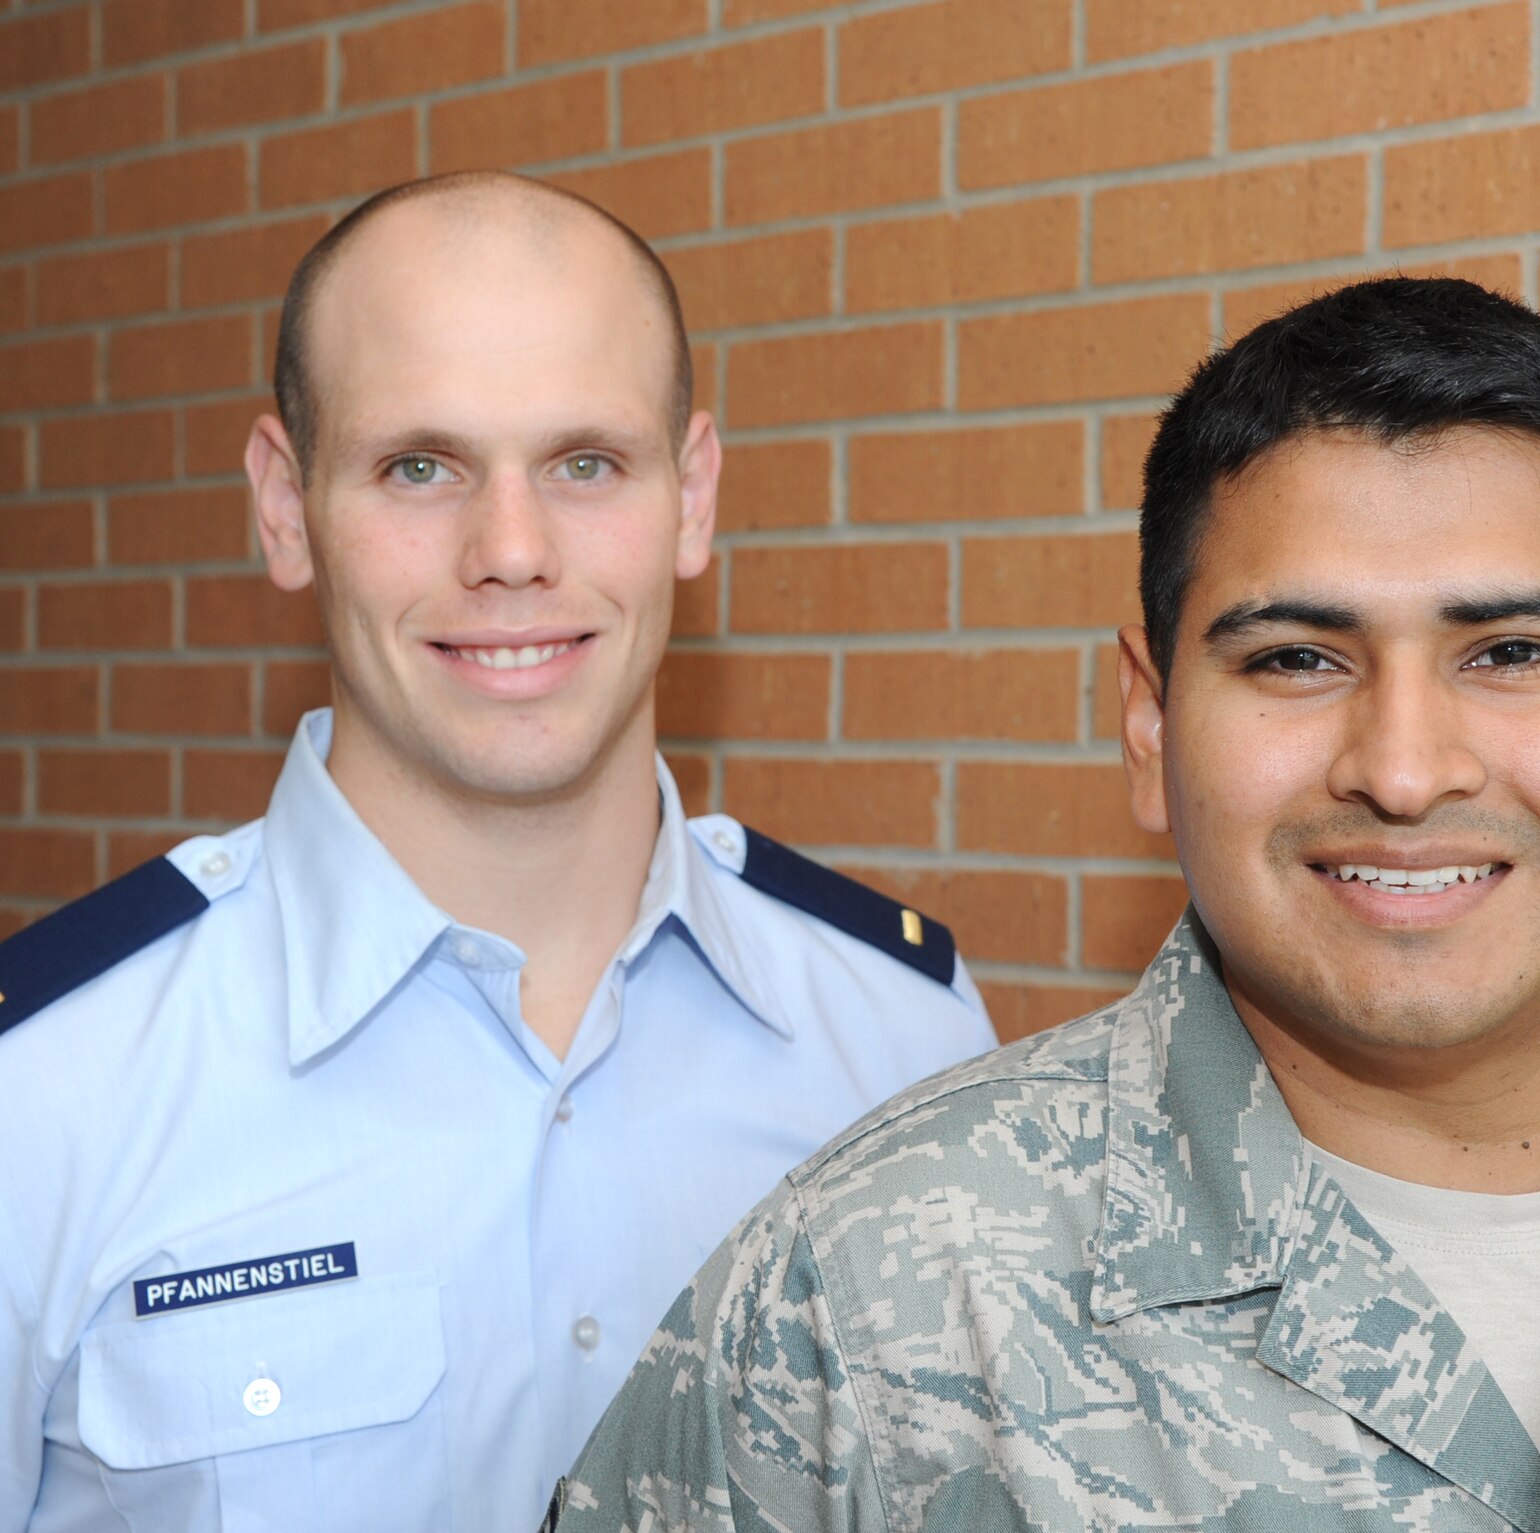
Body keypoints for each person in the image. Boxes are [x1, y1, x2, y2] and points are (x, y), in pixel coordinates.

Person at [548, 278, 1540, 1532]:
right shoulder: (871, 1299)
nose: (1405, 769)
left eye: (1512, 651)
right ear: (1148, 721)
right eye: (1298, 659)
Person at [0, 172, 996, 1533]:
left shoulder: (903, 1043)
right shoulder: (46, 1095)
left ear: (692, 496)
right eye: (420, 466)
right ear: (285, 506)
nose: (513, 551)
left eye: (587, 462)